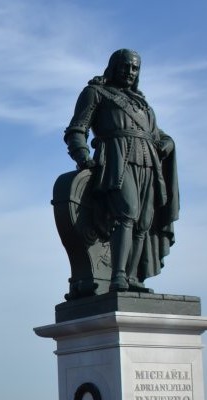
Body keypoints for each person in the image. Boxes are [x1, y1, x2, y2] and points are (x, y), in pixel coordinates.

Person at [64, 49, 179, 292]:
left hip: (148, 162)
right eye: (125, 66)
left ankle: (132, 277)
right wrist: (83, 157)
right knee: (127, 212)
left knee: (144, 221)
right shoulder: (95, 93)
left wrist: (168, 142)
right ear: (114, 66)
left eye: (134, 68)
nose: (129, 72)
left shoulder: (142, 104)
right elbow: (77, 129)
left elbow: (158, 134)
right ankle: (117, 276)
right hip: (117, 159)